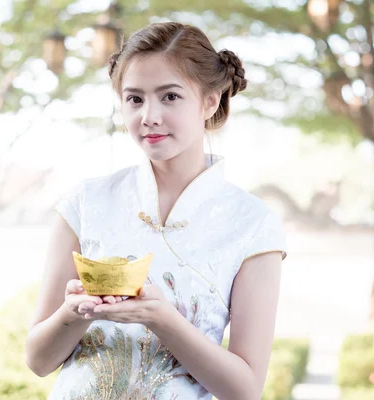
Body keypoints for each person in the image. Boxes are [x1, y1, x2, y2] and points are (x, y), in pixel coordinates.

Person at [25, 21, 287, 400]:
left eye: (170, 97)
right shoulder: (86, 202)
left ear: (210, 101)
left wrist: (162, 320)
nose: (149, 116)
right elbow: (38, 360)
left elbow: (245, 390)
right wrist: (72, 314)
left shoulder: (253, 225)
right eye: (134, 99)